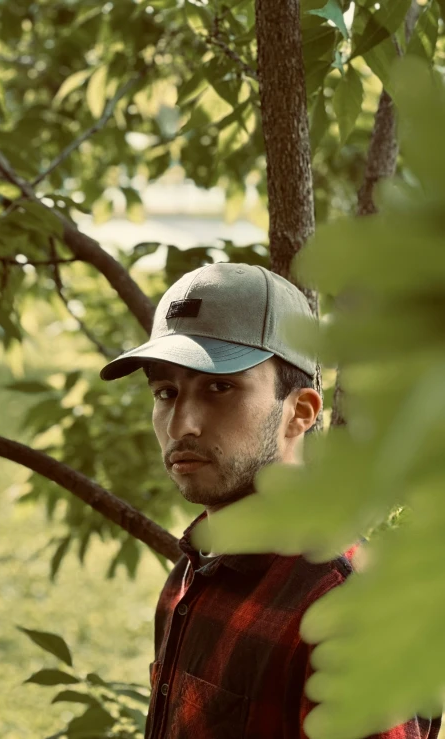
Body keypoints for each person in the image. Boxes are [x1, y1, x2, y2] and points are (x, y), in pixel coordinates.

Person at [100, 263, 442, 739]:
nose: (181, 425)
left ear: (299, 412)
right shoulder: (194, 569)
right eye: (166, 392)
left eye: (220, 387)